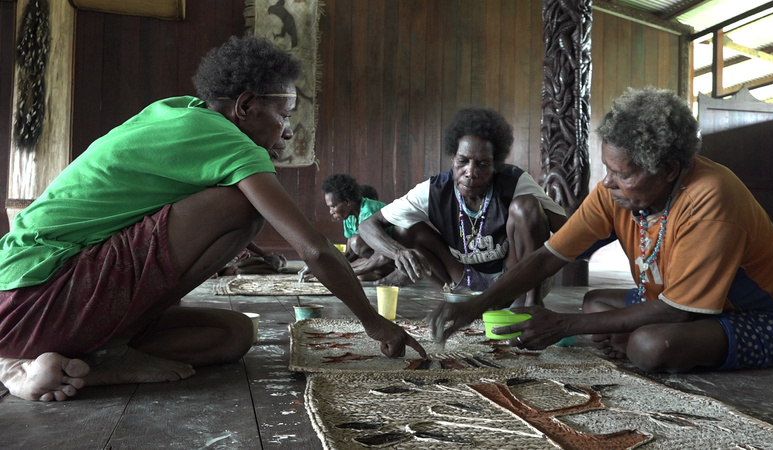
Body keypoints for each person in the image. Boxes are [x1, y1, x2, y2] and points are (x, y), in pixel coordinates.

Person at [0, 35, 426, 402]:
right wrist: (376, 325)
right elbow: (312, 248)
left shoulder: (176, 111)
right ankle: (94, 351)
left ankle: (75, 365)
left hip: (24, 301)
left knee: (235, 334)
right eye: (284, 115)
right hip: (39, 293)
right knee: (242, 205)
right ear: (245, 106)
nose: (289, 131)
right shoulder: (232, 143)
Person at [429, 87, 773, 374]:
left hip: (767, 318)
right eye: (608, 168)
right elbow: (547, 257)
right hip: (689, 308)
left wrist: (564, 324)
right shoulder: (616, 193)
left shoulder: (711, 198)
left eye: (623, 174)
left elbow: (675, 313)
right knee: (595, 305)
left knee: (651, 347)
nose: (608, 183)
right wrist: (476, 306)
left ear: (668, 170)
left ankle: (661, 342)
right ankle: (660, 338)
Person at [359, 107, 567, 305]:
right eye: (463, 161)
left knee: (526, 207)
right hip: (462, 276)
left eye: (483, 164)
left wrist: (543, 270)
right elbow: (368, 224)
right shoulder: (434, 190)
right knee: (404, 229)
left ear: (496, 165)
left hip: (513, 277)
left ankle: (530, 304)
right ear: (452, 158)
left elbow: (567, 230)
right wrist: (397, 253)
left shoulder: (515, 182)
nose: (471, 171)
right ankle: (455, 296)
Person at [318, 174, 404, 283]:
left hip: (394, 254)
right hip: (381, 257)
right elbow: (350, 254)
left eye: (333, 206)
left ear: (347, 202)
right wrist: (324, 267)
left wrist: (348, 272)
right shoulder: (348, 217)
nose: (331, 211)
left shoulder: (369, 212)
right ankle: (381, 273)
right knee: (361, 276)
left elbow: (382, 255)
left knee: (356, 242)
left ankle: (399, 270)